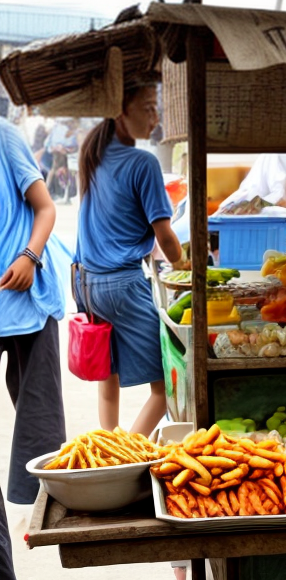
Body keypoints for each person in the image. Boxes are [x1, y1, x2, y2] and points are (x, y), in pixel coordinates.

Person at [0, 117, 68, 580]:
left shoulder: (4, 135)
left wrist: (31, 254)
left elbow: (43, 208)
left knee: (42, 437)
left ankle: (44, 504)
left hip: (23, 297)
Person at [75, 81, 184, 436]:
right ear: (121, 111)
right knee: (166, 384)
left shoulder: (92, 152)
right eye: (148, 108)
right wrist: (184, 265)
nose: (155, 118)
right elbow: (165, 235)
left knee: (107, 375)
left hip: (85, 281)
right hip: (120, 284)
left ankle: (107, 447)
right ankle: (129, 455)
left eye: (156, 109)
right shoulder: (144, 162)